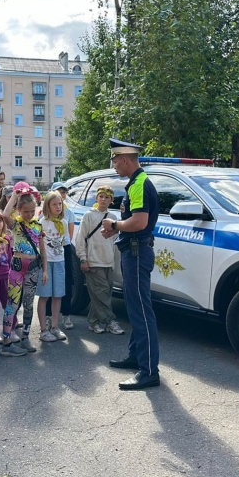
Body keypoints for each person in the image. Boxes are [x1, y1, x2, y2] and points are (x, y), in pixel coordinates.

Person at [101, 139, 161, 390]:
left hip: (136, 253)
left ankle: (148, 371)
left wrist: (115, 226)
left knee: (140, 311)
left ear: (125, 159)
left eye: (115, 161)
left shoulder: (139, 184)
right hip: (133, 251)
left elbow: (138, 222)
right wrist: (117, 228)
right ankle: (137, 356)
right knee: (135, 306)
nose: (114, 166)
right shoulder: (136, 183)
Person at [2, 187, 48, 352]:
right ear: (19, 210)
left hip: (34, 269)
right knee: (13, 303)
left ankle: (25, 337)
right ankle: (6, 341)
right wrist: (14, 196)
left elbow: (42, 251)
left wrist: (45, 270)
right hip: (17, 268)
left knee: (28, 304)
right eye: (25, 211)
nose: (29, 214)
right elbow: (5, 215)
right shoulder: (16, 224)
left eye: (32, 211)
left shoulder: (37, 226)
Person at [74, 185, 124, 335]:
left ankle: (94, 322)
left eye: (106, 197)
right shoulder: (89, 216)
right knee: (101, 292)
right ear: (96, 198)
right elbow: (81, 238)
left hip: (108, 261)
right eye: (101, 196)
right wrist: (83, 259)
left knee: (102, 293)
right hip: (93, 261)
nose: (103, 199)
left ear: (111, 201)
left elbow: (114, 241)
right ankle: (110, 321)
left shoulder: (114, 218)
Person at [0, 211, 26, 356]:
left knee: (9, 304)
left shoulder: (7, 238)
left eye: (0, 220)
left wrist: (11, 275)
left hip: (6, 277)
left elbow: (9, 259)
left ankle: (11, 329)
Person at [35, 191, 69, 343]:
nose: (58, 207)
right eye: (54, 204)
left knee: (58, 295)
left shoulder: (63, 222)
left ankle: (55, 326)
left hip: (59, 261)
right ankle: (43, 329)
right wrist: (44, 267)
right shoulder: (42, 223)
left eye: (60, 204)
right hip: (46, 263)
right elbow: (39, 245)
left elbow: (64, 243)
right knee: (45, 296)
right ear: (47, 206)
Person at [47, 181, 76, 331]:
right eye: (59, 192)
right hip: (49, 253)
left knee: (66, 282)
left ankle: (66, 314)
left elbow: (68, 236)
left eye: (64, 193)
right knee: (48, 285)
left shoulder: (68, 214)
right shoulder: (45, 216)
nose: (62, 196)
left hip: (63, 250)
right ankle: (47, 316)